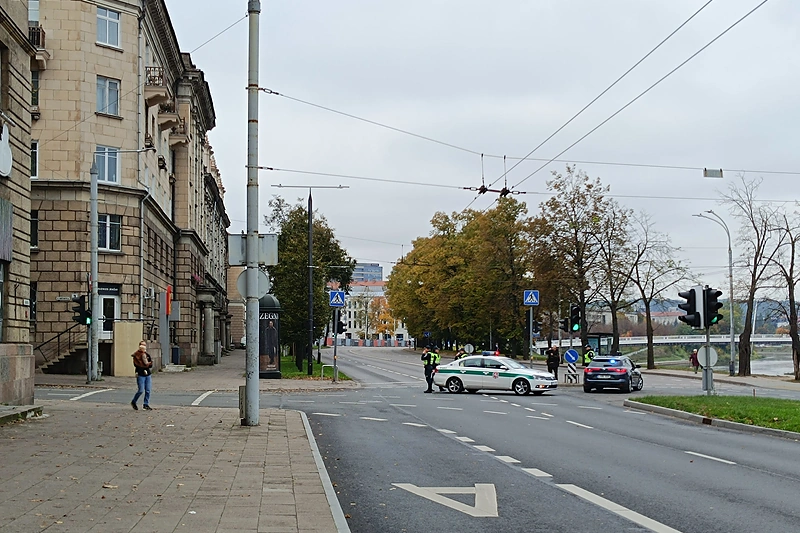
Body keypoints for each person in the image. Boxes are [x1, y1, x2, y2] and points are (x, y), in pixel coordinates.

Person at [131, 340, 153, 411]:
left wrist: (148, 364)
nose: (143, 347)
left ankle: (145, 404)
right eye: (142, 345)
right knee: (140, 390)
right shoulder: (136, 355)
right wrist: (144, 366)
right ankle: (134, 401)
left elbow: (150, 364)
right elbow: (136, 365)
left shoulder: (146, 354)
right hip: (140, 374)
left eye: (145, 345)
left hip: (147, 374)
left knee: (148, 390)